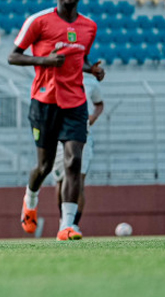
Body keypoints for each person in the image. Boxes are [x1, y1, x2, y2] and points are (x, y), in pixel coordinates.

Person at [9, 0, 105, 241]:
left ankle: (67, 225)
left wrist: (92, 70)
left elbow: (78, 59)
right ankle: (30, 199)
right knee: (45, 166)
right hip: (44, 102)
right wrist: (44, 61)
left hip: (75, 102)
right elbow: (13, 56)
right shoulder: (39, 21)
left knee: (74, 161)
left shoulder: (89, 27)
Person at [52, 75, 104, 235]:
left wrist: (93, 116)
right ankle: (63, 221)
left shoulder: (89, 82)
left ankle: (72, 224)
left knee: (78, 179)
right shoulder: (55, 76)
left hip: (83, 134)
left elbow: (99, 103)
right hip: (58, 134)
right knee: (61, 181)